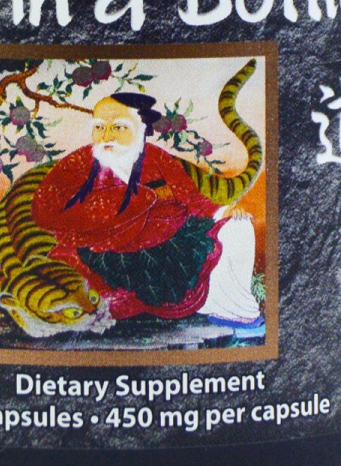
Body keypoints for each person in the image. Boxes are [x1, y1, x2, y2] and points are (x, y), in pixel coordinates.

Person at [30, 92, 263, 329]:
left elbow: (192, 198)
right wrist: (138, 200)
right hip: (106, 256)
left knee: (239, 227)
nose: (106, 136)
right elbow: (44, 209)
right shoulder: (79, 163)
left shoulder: (156, 157)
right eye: (99, 127)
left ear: (141, 128)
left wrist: (224, 211)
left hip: (172, 246)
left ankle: (234, 314)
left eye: (118, 127)